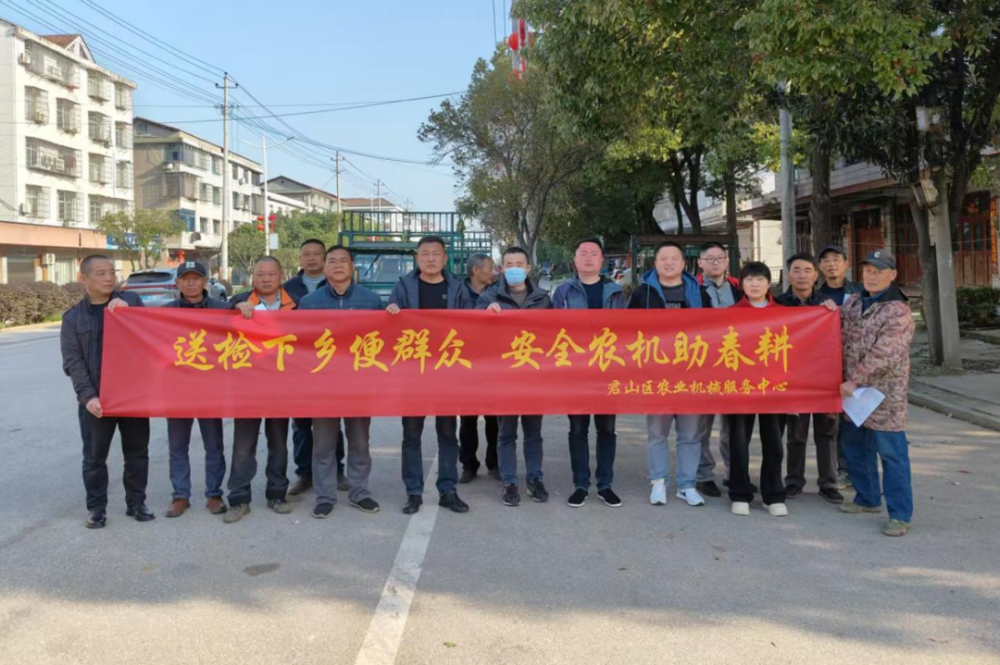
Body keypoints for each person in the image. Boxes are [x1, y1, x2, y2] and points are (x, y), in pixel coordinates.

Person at [61, 254, 152, 528]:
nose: (109, 277)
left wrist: (130, 312)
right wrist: (88, 396)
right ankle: (96, 508)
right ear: (84, 279)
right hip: (97, 399)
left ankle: (136, 503)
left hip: (132, 396)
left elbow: (151, 336)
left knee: (137, 453)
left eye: (111, 272)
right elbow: (73, 362)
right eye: (100, 273)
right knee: (94, 457)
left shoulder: (131, 301)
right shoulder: (73, 318)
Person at [386, 235, 470, 515]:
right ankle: (413, 492)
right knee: (411, 435)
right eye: (425, 254)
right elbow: (390, 329)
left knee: (448, 434)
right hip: (413, 373)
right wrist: (390, 312)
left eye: (436, 254)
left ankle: (448, 490)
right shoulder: (403, 287)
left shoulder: (457, 289)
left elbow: (472, 325)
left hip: (447, 373)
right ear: (417, 258)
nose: (431, 258)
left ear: (445, 259)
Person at [299, 246, 384, 518]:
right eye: (332, 261)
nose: (337, 265)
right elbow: (300, 344)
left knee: (359, 441)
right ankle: (325, 496)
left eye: (343, 261)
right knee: (323, 444)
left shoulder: (371, 301)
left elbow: (384, 339)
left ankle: (360, 492)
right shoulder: (309, 303)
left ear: (352, 267)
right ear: (324, 267)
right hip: (323, 386)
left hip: (359, 385)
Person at [838, 249, 916, 537]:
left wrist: (855, 380)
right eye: (868, 270)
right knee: (856, 447)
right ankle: (867, 497)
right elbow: (834, 331)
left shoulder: (898, 310)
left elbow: (887, 353)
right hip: (853, 395)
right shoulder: (854, 302)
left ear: (892, 274)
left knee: (892, 454)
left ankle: (900, 515)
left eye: (879, 271)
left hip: (884, 396)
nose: (871, 276)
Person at [627, 241, 711, 507]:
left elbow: (715, 331)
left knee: (690, 434)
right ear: (655, 263)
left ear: (684, 263)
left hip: (691, 374)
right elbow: (628, 330)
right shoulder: (643, 293)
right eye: (663, 258)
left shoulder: (700, 293)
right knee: (657, 432)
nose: (669, 262)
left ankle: (687, 485)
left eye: (675, 258)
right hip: (657, 374)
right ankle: (658, 482)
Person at [552, 238, 626, 508]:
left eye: (594, 253)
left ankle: (605, 485)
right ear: (575, 259)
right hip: (576, 372)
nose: (588, 257)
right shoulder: (563, 292)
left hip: (607, 371)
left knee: (607, 429)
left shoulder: (615, 292)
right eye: (583, 253)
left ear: (602, 260)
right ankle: (581, 485)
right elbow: (551, 329)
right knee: (578, 429)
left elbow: (627, 330)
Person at [224, 256, 298, 523]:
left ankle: (277, 494)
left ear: (281, 275)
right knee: (243, 445)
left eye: (271, 274)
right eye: (260, 274)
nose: (265, 279)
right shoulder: (240, 301)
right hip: (248, 387)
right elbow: (217, 321)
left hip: (281, 386)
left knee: (278, 443)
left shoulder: (297, 304)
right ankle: (238, 499)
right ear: (252, 278)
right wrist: (235, 305)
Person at [477, 247, 553, 507]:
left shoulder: (543, 299)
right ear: (502, 268)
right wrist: (485, 315)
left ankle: (535, 479)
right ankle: (509, 481)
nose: (514, 268)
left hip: (534, 377)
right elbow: (471, 329)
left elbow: (556, 335)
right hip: (504, 378)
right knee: (506, 432)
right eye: (509, 264)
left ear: (528, 268)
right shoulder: (488, 297)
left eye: (519, 264)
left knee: (533, 433)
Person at [775, 253, 845, 504]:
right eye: (797, 270)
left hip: (825, 378)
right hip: (794, 379)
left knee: (827, 432)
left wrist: (832, 314)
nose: (802, 276)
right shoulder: (778, 305)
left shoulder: (827, 305)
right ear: (788, 275)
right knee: (796, 433)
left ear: (816, 275)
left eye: (807, 270)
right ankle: (794, 481)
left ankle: (828, 483)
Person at [282, 239, 347, 498]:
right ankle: (304, 474)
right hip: (299, 366)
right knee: (301, 424)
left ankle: (337, 469)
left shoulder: (337, 285)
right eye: (306, 254)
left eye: (316, 254)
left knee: (332, 422)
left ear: (324, 259)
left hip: (334, 366)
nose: (311, 259)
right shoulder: (287, 289)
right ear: (300, 259)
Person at [163, 261, 228, 518]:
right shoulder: (164, 314)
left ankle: (214, 494)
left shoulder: (222, 310)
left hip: (210, 388)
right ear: (177, 283)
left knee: (214, 445)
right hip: (177, 390)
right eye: (185, 278)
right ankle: (180, 496)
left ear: (205, 282)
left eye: (196, 278)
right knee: (178, 446)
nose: (191, 283)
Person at [726, 261, 788, 517]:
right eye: (749, 279)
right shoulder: (729, 313)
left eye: (760, 279)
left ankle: (773, 495)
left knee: (774, 442)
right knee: (739, 441)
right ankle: (740, 493)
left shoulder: (784, 314)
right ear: (741, 284)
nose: (754, 284)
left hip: (774, 388)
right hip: (740, 388)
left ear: (768, 283)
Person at [694, 242, 743, 498]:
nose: (715, 262)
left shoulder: (739, 288)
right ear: (700, 262)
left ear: (726, 261)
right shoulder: (691, 289)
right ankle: (703, 474)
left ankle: (734, 473)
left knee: (732, 425)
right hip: (702, 364)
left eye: (719, 258)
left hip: (734, 364)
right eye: (709, 258)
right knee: (702, 424)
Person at [818, 243, 864, 488]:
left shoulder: (861, 292)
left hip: (856, 367)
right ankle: (840, 469)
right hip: (827, 368)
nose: (831, 264)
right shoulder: (816, 297)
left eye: (836, 259)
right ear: (820, 266)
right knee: (831, 423)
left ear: (846, 263)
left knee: (856, 420)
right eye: (826, 260)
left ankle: (859, 470)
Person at [458, 252, 500, 483]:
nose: (493, 272)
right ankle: (469, 464)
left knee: (494, 419)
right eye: (490, 268)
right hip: (466, 365)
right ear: (476, 271)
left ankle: (494, 463)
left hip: (494, 364)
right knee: (468, 419)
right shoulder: (457, 292)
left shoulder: (499, 292)